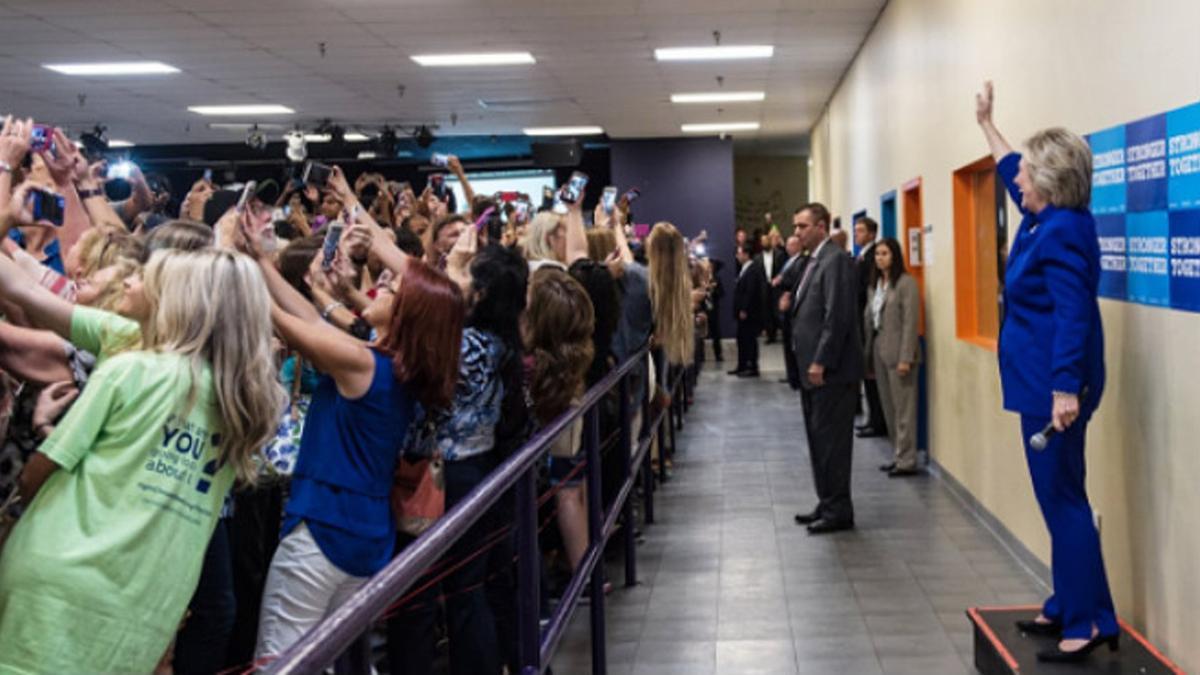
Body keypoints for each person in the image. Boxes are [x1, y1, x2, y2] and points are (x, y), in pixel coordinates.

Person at [0, 249, 283, 674]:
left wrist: (43, 434)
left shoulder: (130, 369)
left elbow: (37, 476)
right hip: (148, 602)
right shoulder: (246, 408)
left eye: (152, 278)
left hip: (58, 583)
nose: (133, 282)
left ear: (181, 302)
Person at [251, 174, 467, 659]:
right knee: (335, 659)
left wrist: (235, 261)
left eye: (393, 288)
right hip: (365, 533)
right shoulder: (391, 365)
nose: (383, 282)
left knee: (280, 661)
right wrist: (259, 260)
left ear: (407, 315)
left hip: (324, 531)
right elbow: (308, 319)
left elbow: (288, 324)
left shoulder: (366, 364)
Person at [976, 80, 1117, 662]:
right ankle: (1078, 604)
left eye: (1030, 174)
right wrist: (987, 124)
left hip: (1054, 386)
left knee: (1063, 501)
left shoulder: (1061, 233)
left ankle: (1083, 624)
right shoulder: (1046, 220)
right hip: (1043, 381)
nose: (1019, 180)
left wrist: (1064, 388)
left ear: (1052, 183)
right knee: (1062, 497)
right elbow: (1011, 165)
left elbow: (1072, 315)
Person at [789, 203, 862, 534]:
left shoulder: (835, 261)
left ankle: (838, 510)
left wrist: (821, 359)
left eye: (803, 226)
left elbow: (838, 317)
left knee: (832, 443)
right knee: (819, 441)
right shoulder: (813, 261)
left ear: (821, 226)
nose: (797, 232)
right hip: (811, 372)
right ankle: (827, 500)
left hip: (831, 372)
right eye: (796, 227)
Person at [862, 237, 921, 477]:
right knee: (889, 408)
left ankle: (907, 460)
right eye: (877, 254)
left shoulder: (906, 284)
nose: (880, 258)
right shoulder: (875, 285)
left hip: (900, 354)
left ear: (895, 256)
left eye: (885, 253)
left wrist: (906, 357)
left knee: (903, 409)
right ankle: (898, 454)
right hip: (879, 350)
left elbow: (910, 323)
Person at [853, 216, 888, 439]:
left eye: (861, 231)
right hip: (862, 321)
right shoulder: (861, 255)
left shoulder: (871, 257)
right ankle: (872, 418)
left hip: (870, 323)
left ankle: (878, 421)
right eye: (856, 230)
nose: (857, 234)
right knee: (867, 374)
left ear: (872, 234)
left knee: (873, 376)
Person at [730, 242, 767, 378]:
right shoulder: (744, 268)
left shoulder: (753, 269)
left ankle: (752, 367)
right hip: (743, 312)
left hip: (750, 313)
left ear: (746, 254)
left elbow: (750, 292)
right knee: (742, 339)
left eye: (739, 253)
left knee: (749, 339)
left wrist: (744, 309)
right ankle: (742, 365)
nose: (737, 256)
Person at [774, 234, 807, 389]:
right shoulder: (788, 261)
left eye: (791, 245)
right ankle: (791, 375)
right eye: (787, 245)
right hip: (784, 306)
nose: (788, 248)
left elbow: (794, 281)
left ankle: (795, 377)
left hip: (791, 306)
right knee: (786, 344)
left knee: (792, 345)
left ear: (798, 246)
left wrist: (781, 281)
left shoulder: (801, 262)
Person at [758, 227, 787, 343]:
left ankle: (784, 333)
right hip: (764, 287)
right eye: (762, 241)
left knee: (778, 311)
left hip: (777, 286)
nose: (765, 243)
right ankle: (771, 336)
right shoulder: (757, 258)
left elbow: (784, 269)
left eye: (766, 241)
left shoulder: (779, 254)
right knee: (767, 311)